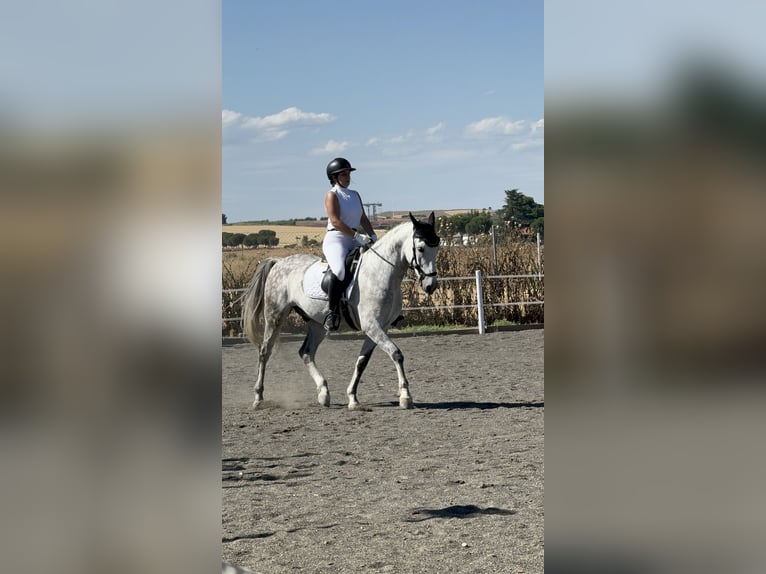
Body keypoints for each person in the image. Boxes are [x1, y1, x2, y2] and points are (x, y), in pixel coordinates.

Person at [322, 157, 377, 331]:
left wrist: (373, 235)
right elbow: (336, 221)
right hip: (336, 239)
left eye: (348, 174)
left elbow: (363, 218)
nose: (347, 177)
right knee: (339, 271)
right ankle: (332, 312)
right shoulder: (332, 195)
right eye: (343, 174)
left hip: (354, 238)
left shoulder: (355, 195)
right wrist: (357, 236)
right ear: (334, 177)